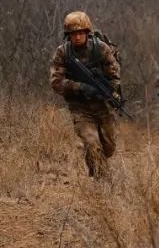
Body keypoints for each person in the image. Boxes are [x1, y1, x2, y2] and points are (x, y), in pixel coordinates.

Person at [49, 11, 121, 179]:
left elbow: (115, 77)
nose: (78, 37)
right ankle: (102, 181)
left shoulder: (101, 49)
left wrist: (106, 91)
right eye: (73, 34)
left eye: (81, 33)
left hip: (103, 106)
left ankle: (98, 167)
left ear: (87, 33)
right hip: (80, 108)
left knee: (109, 147)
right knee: (92, 144)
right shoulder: (63, 53)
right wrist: (80, 87)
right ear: (68, 35)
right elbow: (56, 82)